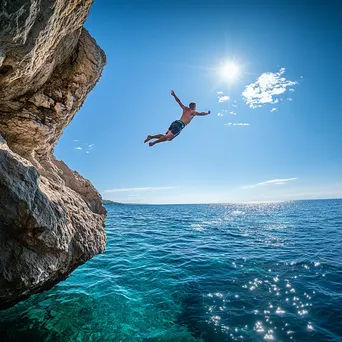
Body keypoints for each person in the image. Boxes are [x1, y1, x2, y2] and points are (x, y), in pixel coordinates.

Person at [144, 90, 211, 147]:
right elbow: (200, 113)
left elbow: (179, 101)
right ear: (194, 107)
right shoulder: (193, 111)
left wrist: (174, 95)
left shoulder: (185, 108)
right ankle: (153, 142)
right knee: (168, 137)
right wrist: (207, 113)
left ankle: (151, 137)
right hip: (180, 125)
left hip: (175, 122)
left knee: (167, 137)